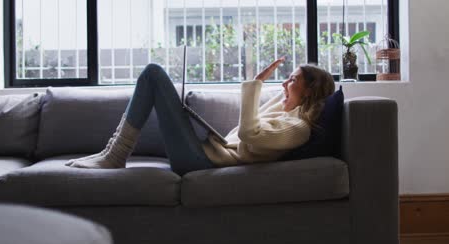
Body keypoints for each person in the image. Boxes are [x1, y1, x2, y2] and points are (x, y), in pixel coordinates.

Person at [66, 57, 335, 175]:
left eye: (293, 80)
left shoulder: (298, 128)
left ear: (309, 91)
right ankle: (110, 153)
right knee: (154, 76)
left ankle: (114, 157)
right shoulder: (290, 109)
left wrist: (256, 82)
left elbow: (248, 133)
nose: (285, 84)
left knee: (153, 74)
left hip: (200, 162)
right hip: (204, 152)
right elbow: (288, 102)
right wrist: (288, 89)